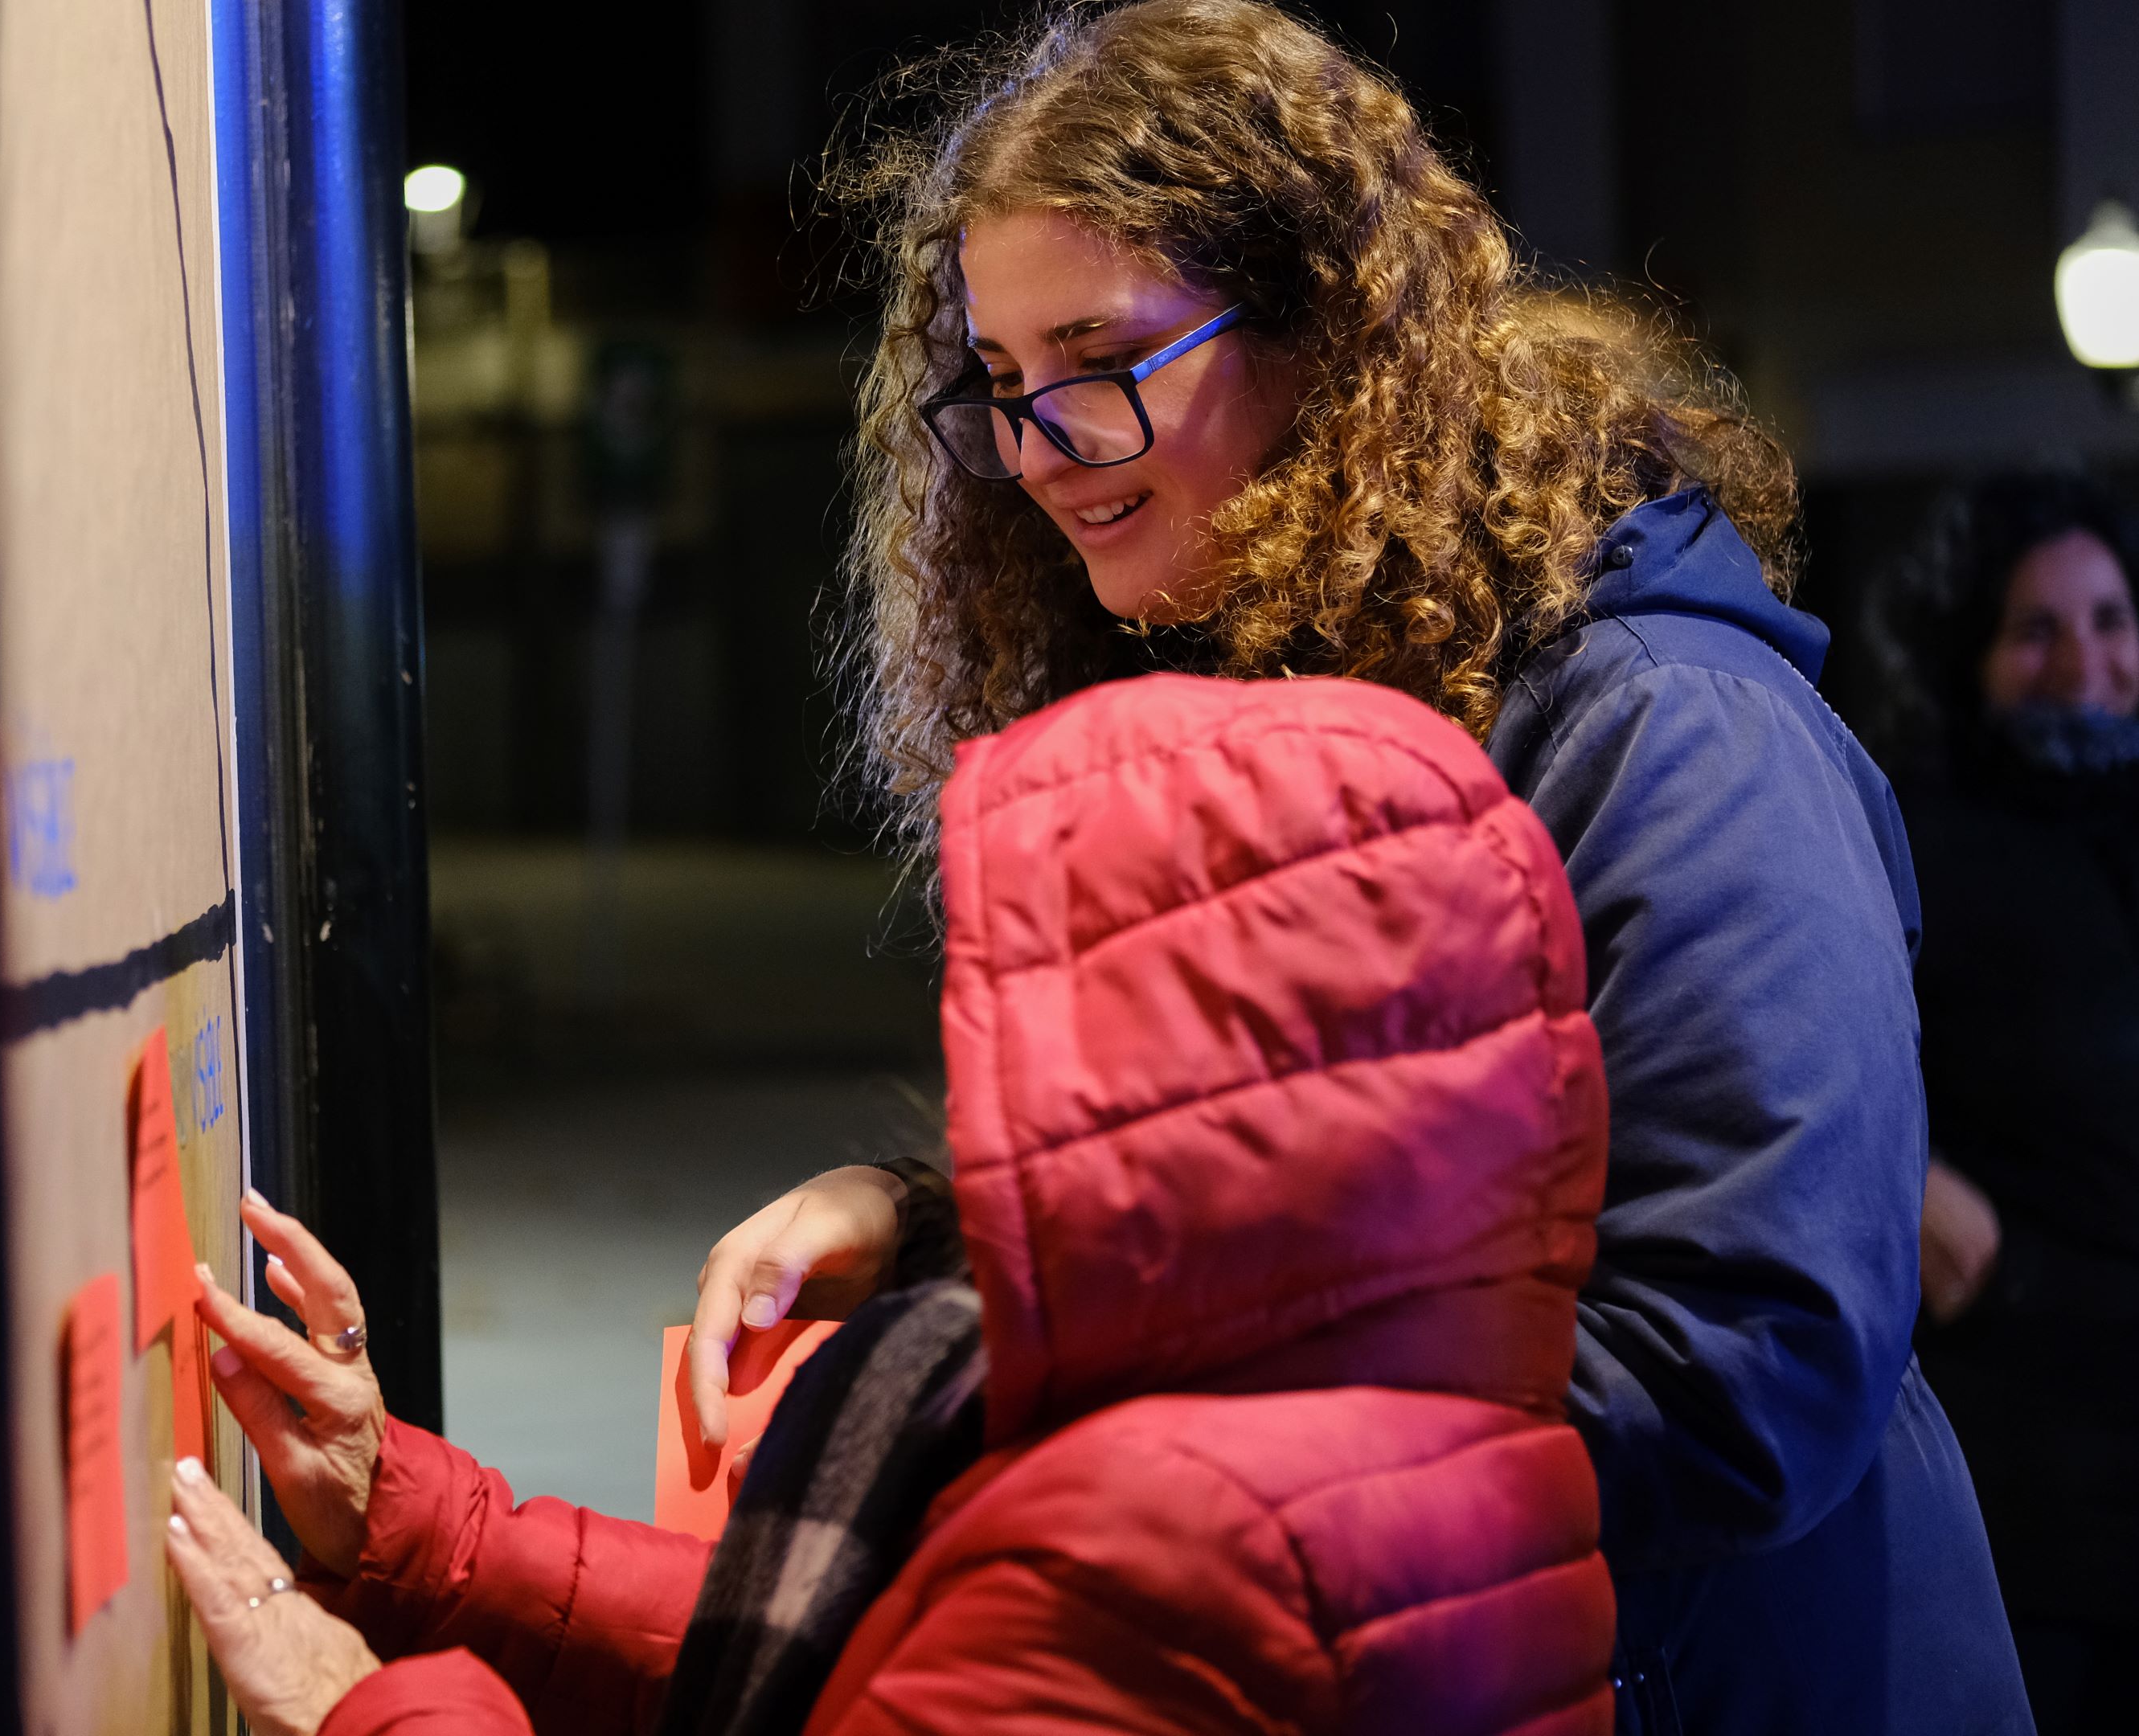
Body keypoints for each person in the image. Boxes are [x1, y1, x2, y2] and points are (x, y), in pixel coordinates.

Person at [682, 2, 2029, 1730]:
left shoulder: (1666, 722)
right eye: (1002, 383)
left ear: (1326, 331)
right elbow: (1304, 1221)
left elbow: (1747, 1365)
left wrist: (1163, 1479)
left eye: (1097, 362)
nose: (1033, 451)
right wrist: (946, 1236)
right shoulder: (1265, 682)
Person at [168, 672, 1619, 1735]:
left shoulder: (1162, 1539)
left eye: (1048, 1001)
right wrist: (436, 1534)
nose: (976, 1084)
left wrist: (365, 1713)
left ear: (1195, 1078)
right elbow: (872, 1668)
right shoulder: (1421, 1432)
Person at [1861, 471, 2139, 1735]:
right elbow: (1816, 1054)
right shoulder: (1915, 837)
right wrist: (1905, 1180)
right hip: (2031, 1448)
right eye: (2037, 629)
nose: (2085, 660)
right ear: (1971, 654)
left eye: (2111, 620)